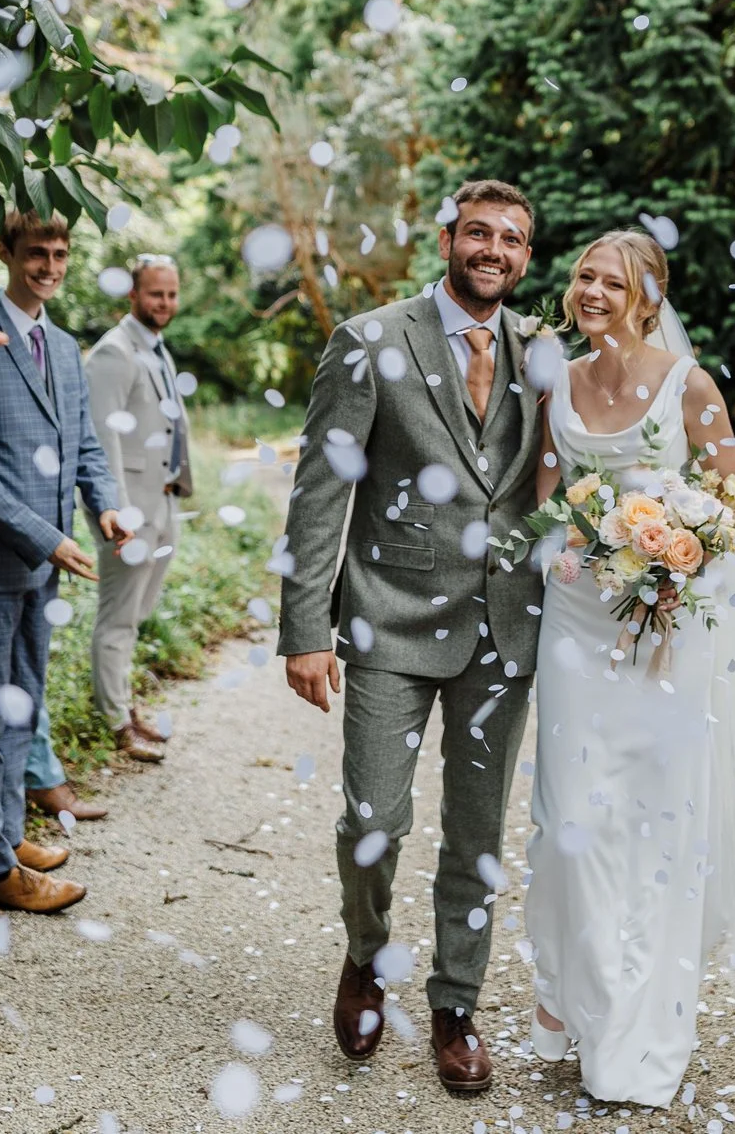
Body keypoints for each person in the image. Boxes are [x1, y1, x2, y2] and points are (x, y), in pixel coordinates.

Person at [523, 231, 735, 1106]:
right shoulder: (560, 379)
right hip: (579, 627)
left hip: (669, 634)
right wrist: (569, 550)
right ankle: (588, 1003)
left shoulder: (687, 384)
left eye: (608, 280)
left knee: (660, 826)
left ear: (647, 296)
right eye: (582, 275)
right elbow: (546, 497)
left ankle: (643, 1030)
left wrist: (674, 566)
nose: (588, 290)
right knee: (573, 819)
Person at [278, 180, 546, 1096]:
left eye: (512, 239)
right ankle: (365, 952)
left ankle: (455, 1002)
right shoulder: (370, 339)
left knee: (478, 831)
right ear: (447, 238)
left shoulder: (544, 351)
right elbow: (321, 489)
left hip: (505, 629)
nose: (494, 250)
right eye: (480, 233)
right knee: (373, 822)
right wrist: (303, 626)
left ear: (525, 256)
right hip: (388, 615)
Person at [0, 210, 127, 913]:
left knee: (24, 706)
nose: (49, 264)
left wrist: (103, 504)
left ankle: (6, 833)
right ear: (5, 251)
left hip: (44, 567)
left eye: (60, 252)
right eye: (36, 253)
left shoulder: (66, 344)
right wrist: (48, 537)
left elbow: (82, 445)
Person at [83, 252, 195, 763]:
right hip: (128, 511)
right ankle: (115, 722)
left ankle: (124, 707)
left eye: (171, 294)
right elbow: (100, 439)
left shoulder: (156, 348)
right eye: (156, 294)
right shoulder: (114, 352)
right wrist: (118, 513)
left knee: (138, 612)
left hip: (163, 502)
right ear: (133, 295)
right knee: (118, 617)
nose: (165, 303)